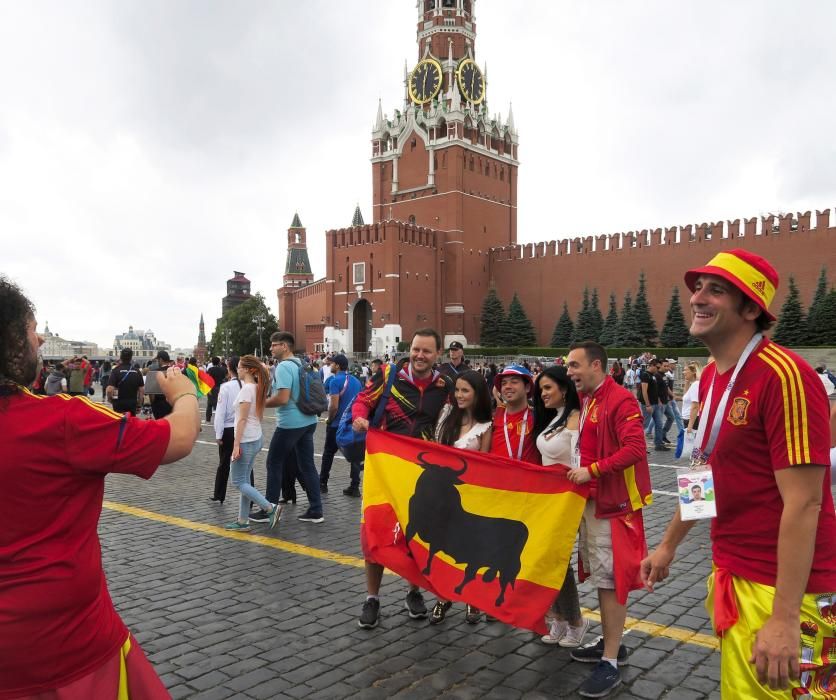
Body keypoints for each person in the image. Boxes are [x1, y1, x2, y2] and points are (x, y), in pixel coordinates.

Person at [641, 249, 836, 696]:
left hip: (790, 595)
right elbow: (702, 473)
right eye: (697, 288)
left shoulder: (784, 375)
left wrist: (784, 619)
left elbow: (806, 501)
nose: (697, 298)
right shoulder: (712, 378)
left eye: (717, 290)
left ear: (751, 309)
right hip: (735, 576)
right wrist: (668, 546)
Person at [0, 275, 200, 698]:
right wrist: (184, 393)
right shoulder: (62, 420)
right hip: (64, 649)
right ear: (11, 343)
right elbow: (178, 439)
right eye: (32, 332)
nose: (38, 343)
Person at [565, 340, 653, 698]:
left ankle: (611, 661)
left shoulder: (620, 399)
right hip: (596, 500)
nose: (569, 372)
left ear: (597, 365)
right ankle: (611, 646)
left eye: (574, 365)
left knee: (610, 580)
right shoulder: (590, 399)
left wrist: (593, 471)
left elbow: (635, 448)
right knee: (602, 576)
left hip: (614, 505)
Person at [351, 328, 454, 629]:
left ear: (438, 355)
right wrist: (359, 417)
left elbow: (464, 414)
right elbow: (362, 400)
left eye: (427, 351)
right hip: (384, 468)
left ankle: (414, 592)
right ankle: (372, 598)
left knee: (417, 535)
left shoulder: (444, 385)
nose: (420, 356)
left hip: (422, 475)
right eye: (417, 350)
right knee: (375, 532)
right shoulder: (389, 375)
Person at [429, 369, 493, 625]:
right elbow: (433, 449)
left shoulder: (486, 426)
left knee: (469, 550)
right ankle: (442, 596)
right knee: (442, 549)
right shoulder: (446, 415)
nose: (459, 395)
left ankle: (472, 597)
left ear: (478, 395)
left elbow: (486, 464)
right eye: (457, 390)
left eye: (466, 391)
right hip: (443, 493)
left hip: (470, 497)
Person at [532, 365, 589, 648]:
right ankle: (558, 617)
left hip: (568, 501)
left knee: (558, 563)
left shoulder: (576, 419)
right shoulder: (555, 418)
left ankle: (576, 621)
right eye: (541, 389)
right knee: (546, 561)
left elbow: (579, 461)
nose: (542, 394)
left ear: (564, 389)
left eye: (547, 388)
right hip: (547, 500)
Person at [254, 331, 323, 524]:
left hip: (290, 423)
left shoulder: (284, 367)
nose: (270, 348)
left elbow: (282, 398)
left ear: (284, 346)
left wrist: (261, 403)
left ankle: (270, 509)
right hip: (309, 420)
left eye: (274, 345)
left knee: (274, 463)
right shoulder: (302, 363)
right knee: (307, 465)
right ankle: (316, 510)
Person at [224, 355, 281, 532]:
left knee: (238, 481)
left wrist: (235, 445)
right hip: (255, 437)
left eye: (240, 367)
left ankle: (270, 508)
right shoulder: (257, 388)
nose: (237, 370)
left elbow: (241, 420)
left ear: (248, 370)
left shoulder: (247, 390)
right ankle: (243, 520)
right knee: (245, 481)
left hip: (246, 440)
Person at [318, 354, 364, 496]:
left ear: (337, 366)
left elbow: (334, 406)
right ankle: (354, 486)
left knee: (328, 453)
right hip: (353, 424)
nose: (330, 365)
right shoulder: (356, 381)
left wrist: (330, 419)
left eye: (331, 363)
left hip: (337, 424)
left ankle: (322, 483)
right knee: (355, 455)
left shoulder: (334, 381)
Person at [211, 356, 246, 504]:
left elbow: (220, 413)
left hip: (228, 429)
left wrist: (218, 434)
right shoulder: (248, 385)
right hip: (244, 428)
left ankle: (219, 494)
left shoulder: (225, 387)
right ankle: (249, 498)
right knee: (246, 465)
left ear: (229, 369)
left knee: (224, 463)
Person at [490, 364, 540, 465]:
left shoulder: (539, 418)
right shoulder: (494, 417)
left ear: (527, 387)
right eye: (504, 383)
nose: (507, 386)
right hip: (495, 478)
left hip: (527, 479)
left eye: (514, 382)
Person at [107, 348, 144, 416]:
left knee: (119, 423)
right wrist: (139, 404)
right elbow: (141, 390)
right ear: (131, 358)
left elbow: (109, 389)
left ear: (121, 357)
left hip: (118, 403)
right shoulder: (137, 371)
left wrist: (110, 399)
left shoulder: (115, 371)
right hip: (132, 403)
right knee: (131, 423)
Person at [205, 356, 228, 423]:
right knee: (219, 404)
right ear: (219, 362)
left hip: (211, 388)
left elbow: (207, 380)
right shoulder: (222, 370)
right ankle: (219, 419)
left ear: (212, 362)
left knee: (209, 404)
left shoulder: (210, 370)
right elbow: (225, 379)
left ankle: (208, 419)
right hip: (220, 388)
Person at [681, 362, 701, 432]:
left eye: (686, 370)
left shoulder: (695, 385)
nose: (684, 372)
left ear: (693, 372)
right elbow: (685, 396)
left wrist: (690, 426)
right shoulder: (693, 384)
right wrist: (687, 382)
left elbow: (695, 406)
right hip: (688, 419)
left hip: (692, 421)